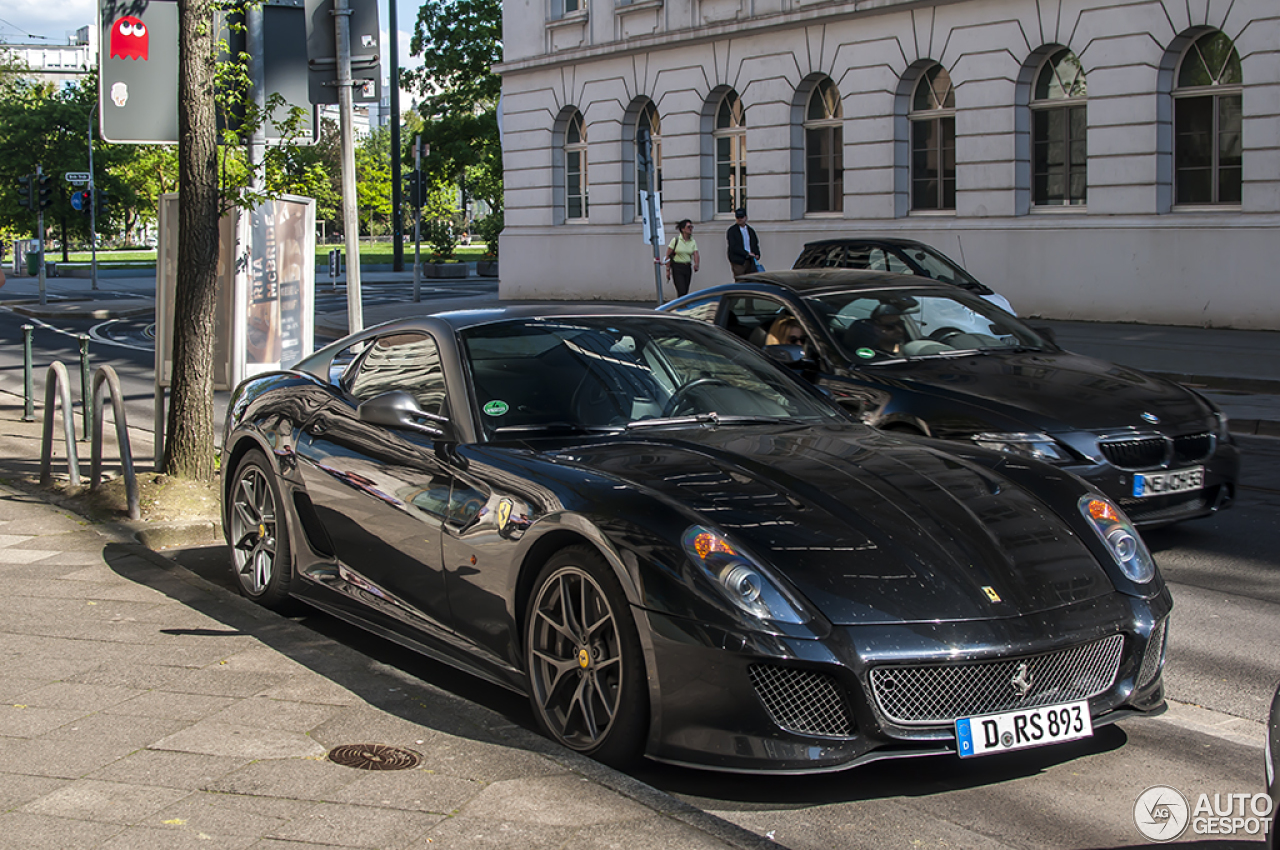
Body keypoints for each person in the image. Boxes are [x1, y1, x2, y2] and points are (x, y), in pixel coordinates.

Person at [664, 219, 700, 297]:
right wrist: (667, 270)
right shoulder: (676, 240)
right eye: (688, 227)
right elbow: (668, 255)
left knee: (685, 291)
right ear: (683, 229)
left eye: (691, 227)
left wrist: (696, 264)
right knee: (681, 290)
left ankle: (681, 306)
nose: (690, 229)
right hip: (677, 267)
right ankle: (681, 306)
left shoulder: (692, 241)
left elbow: (696, 253)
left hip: (687, 267)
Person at [726, 208, 761, 280]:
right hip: (738, 260)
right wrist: (746, 253)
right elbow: (733, 246)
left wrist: (757, 254)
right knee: (740, 279)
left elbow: (755, 243)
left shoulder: (750, 230)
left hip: (750, 260)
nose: (739, 219)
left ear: (746, 217)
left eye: (741, 217)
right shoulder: (732, 231)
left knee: (751, 279)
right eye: (737, 217)